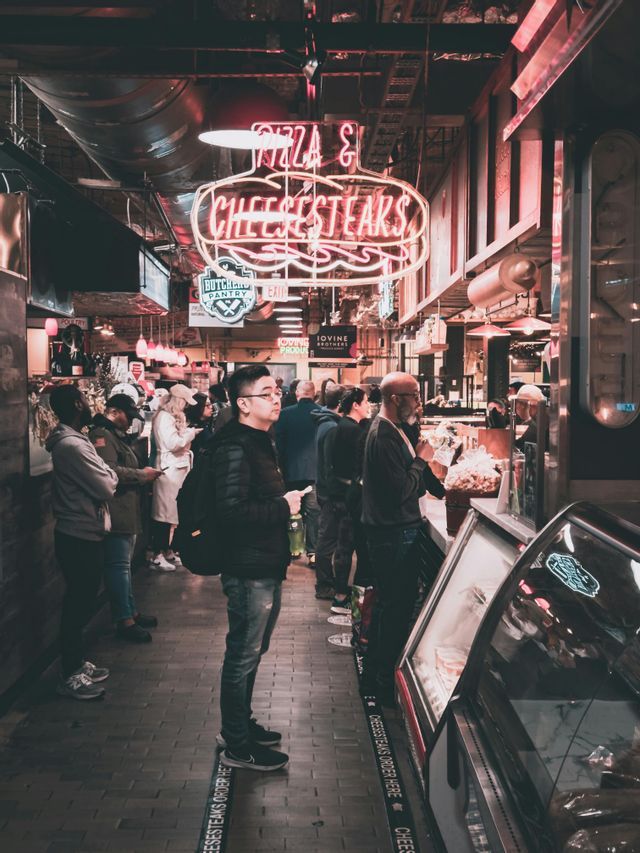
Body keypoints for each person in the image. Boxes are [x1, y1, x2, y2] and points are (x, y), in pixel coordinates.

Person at [212, 365, 304, 772]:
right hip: (248, 568)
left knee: (253, 651)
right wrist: (284, 505)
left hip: (265, 561)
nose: (277, 398)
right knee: (242, 655)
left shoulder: (259, 440)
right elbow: (229, 513)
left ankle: (240, 726)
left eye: (277, 390)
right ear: (243, 403)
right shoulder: (235, 446)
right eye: (267, 392)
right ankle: (236, 745)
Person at [361, 372, 436, 706]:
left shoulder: (394, 431)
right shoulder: (383, 436)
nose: (419, 401)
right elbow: (398, 493)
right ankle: (381, 684)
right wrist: (421, 461)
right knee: (395, 611)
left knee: (389, 608)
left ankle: (375, 678)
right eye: (415, 395)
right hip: (393, 535)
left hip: (394, 532)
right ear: (395, 399)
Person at [45, 384, 118, 700]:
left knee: (83, 601)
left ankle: (75, 663)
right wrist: (109, 475)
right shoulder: (73, 447)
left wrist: (107, 473)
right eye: (85, 400)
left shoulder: (77, 441)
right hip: (77, 534)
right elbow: (106, 485)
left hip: (84, 531)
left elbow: (106, 475)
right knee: (77, 604)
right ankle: (70, 673)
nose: (89, 404)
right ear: (77, 404)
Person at [89, 393, 162, 643]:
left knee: (124, 567)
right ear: (114, 411)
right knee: (118, 568)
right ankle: (124, 620)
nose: (130, 422)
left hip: (125, 510)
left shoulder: (113, 436)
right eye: (127, 416)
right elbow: (109, 472)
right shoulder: (102, 436)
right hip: (115, 511)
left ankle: (130, 611)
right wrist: (142, 475)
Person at [324, 387, 372, 612]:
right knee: (351, 546)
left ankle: (341, 593)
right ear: (355, 405)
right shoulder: (353, 430)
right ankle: (343, 596)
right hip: (349, 496)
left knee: (344, 546)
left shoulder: (340, 427)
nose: (369, 407)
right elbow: (357, 466)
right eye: (366, 403)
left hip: (338, 493)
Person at [150, 383, 201, 571]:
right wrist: (190, 434)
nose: (186, 406)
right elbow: (173, 443)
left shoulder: (169, 417)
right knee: (164, 515)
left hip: (175, 470)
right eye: (185, 402)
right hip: (169, 471)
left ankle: (168, 550)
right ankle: (158, 554)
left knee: (172, 514)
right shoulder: (165, 418)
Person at [274, 380, 321, 566]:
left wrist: (281, 468)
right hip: (314, 472)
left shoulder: (284, 415)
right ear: (314, 393)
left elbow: (279, 446)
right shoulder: (322, 414)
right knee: (314, 514)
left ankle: (290, 549)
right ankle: (313, 552)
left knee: (289, 511)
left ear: (297, 394)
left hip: (290, 471)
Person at [311, 384, 346, 600]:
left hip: (324, 490)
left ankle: (326, 583)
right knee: (327, 540)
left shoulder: (325, 423)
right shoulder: (332, 427)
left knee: (327, 538)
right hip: (329, 494)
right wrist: (334, 495)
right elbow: (330, 466)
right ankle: (324, 585)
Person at [513, 384, 547, 451]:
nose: (516, 407)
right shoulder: (538, 421)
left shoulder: (536, 426)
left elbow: (521, 445)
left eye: (517, 403)